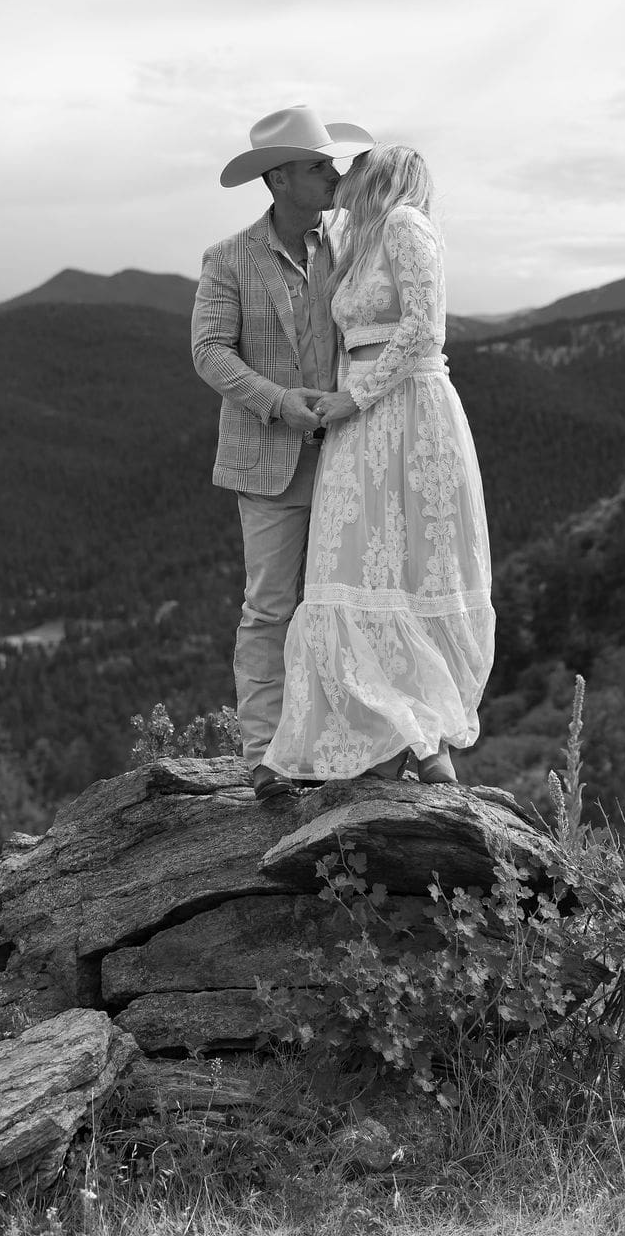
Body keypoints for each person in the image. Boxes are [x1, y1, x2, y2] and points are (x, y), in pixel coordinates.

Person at [261, 144, 495, 785]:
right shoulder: (364, 238)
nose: (341, 174)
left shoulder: (405, 224)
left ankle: (424, 740)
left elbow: (425, 329)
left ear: (381, 174)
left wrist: (353, 397)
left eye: (352, 166)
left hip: (405, 415)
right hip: (361, 421)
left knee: (404, 572)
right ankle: (391, 739)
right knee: (351, 570)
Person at [192, 104, 375, 801]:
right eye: (317, 166)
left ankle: (338, 736)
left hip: (348, 454)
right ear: (277, 180)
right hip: (268, 461)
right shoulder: (229, 259)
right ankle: (263, 748)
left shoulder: (349, 245)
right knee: (270, 605)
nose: (333, 174)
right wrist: (278, 401)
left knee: (342, 600)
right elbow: (208, 352)